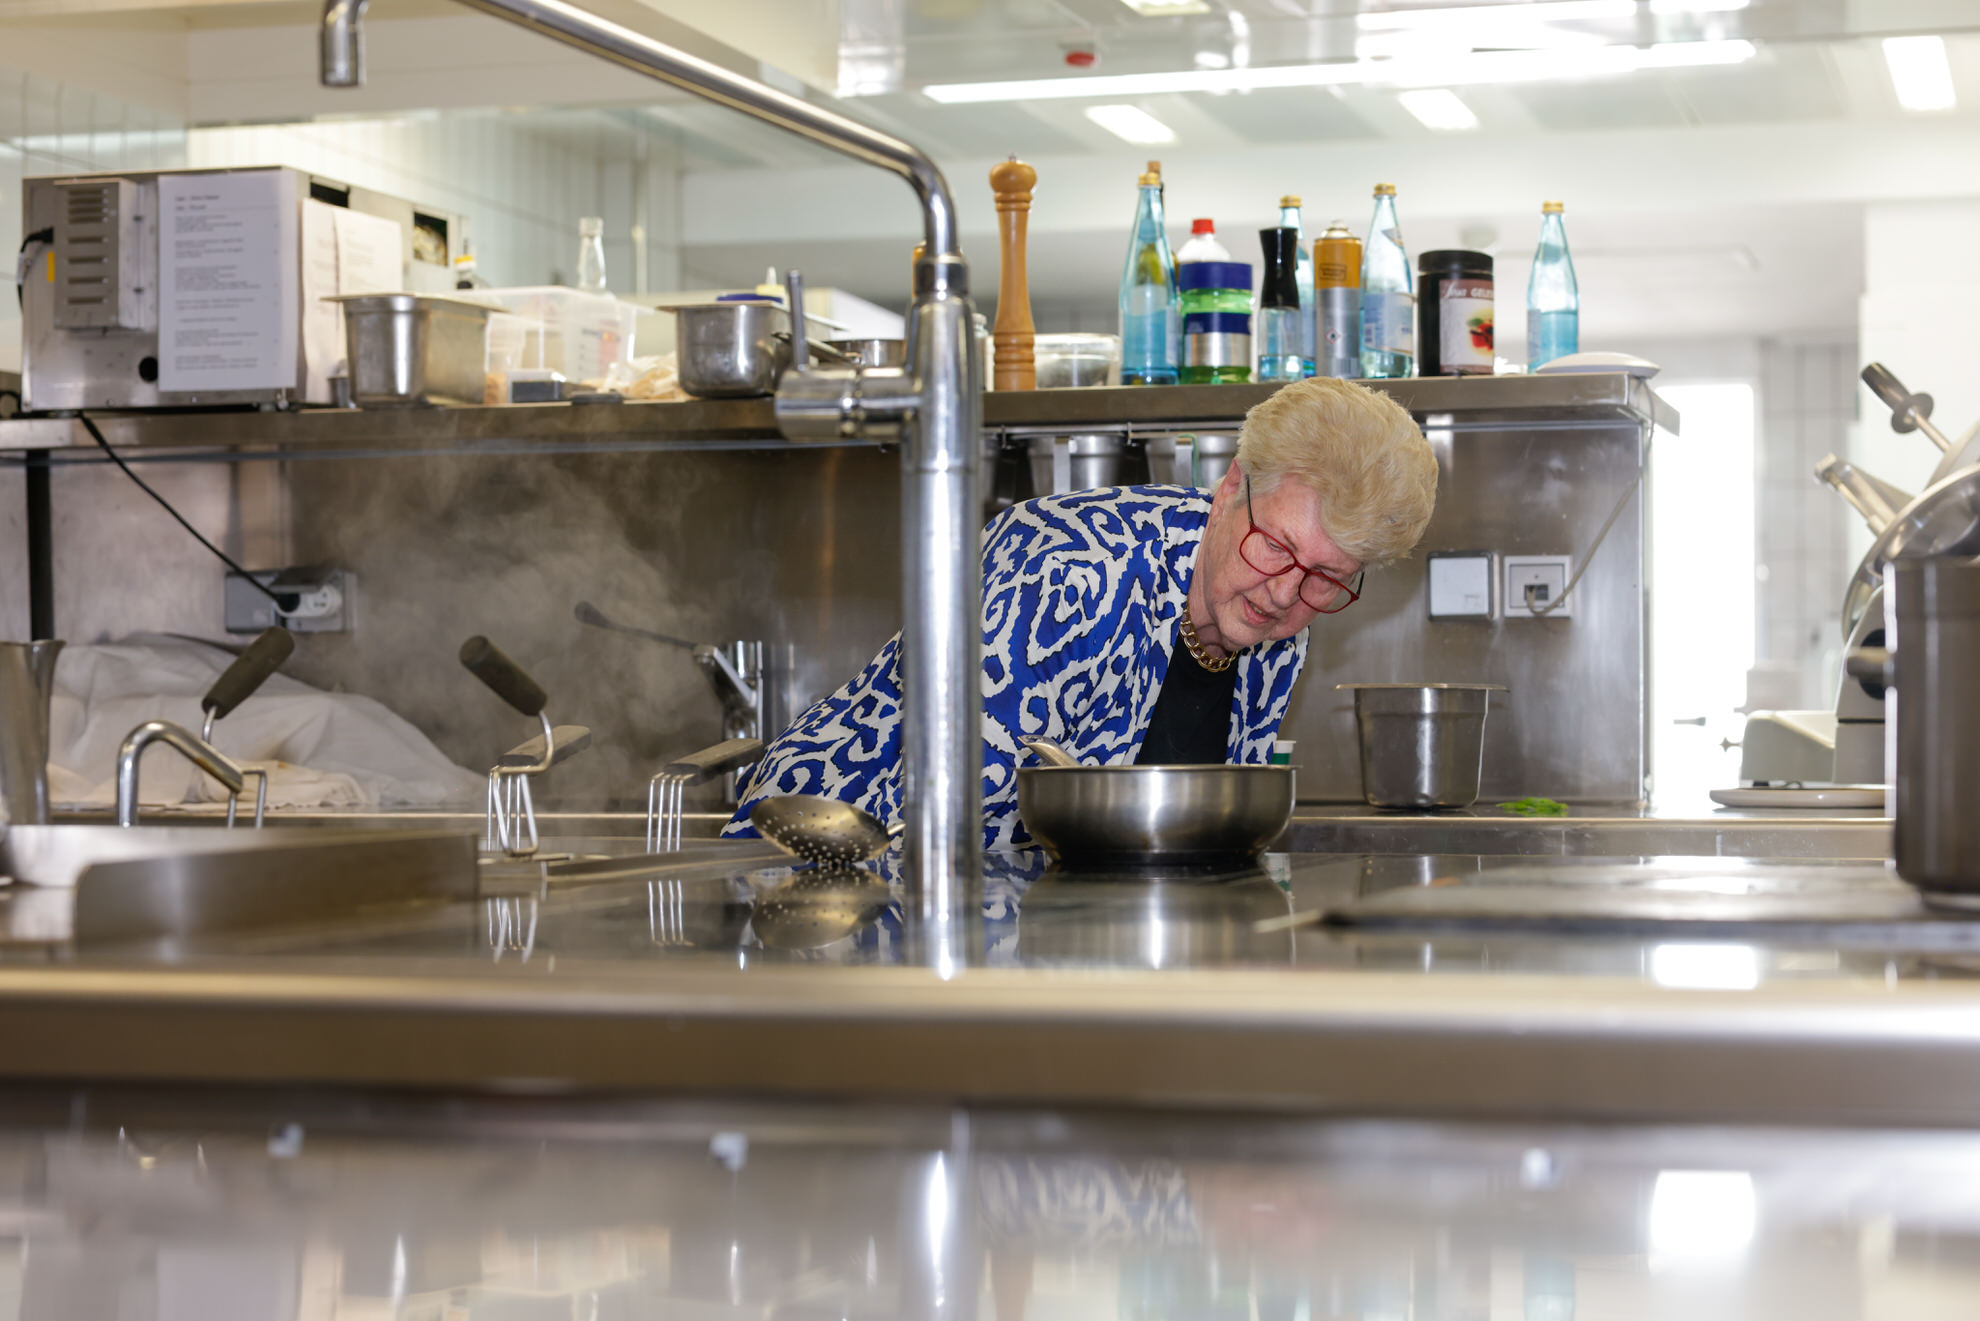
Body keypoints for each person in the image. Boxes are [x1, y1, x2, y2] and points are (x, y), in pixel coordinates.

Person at [725, 376, 1438, 849]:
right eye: (1276, 545)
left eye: (1326, 578)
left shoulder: (1274, 629)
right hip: (829, 876)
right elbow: (948, 831)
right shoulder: (1068, 569)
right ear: (1229, 488)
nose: (1287, 593)